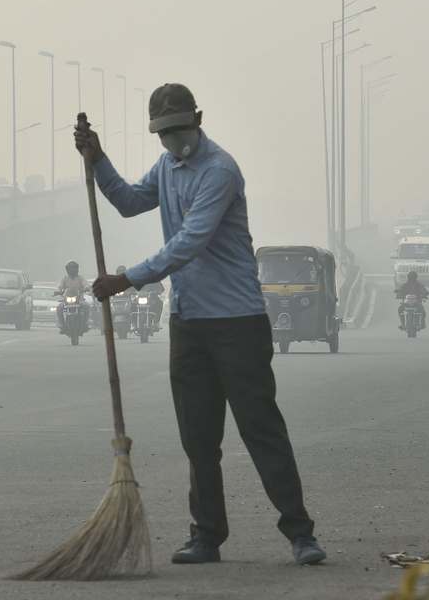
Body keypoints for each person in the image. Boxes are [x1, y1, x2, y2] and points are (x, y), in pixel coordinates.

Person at [74, 83, 325, 566]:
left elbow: (190, 241)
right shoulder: (167, 167)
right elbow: (128, 201)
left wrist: (127, 279)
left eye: (178, 130)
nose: (172, 141)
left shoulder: (219, 171)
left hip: (237, 323)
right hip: (188, 321)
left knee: (261, 430)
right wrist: (98, 159)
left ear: (199, 120)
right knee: (198, 438)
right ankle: (206, 535)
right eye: (163, 134)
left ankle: (300, 533)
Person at [56, 261, 90, 332]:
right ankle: (62, 324)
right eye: (70, 268)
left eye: (74, 268)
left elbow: (86, 284)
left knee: (86, 306)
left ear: (77, 269)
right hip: (67, 300)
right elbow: (60, 286)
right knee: (59, 307)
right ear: (67, 270)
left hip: (79, 299)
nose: (72, 270)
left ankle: (85, 323)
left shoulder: (80, 278)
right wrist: (58, 291)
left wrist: (86, 288)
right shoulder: (65, 278)